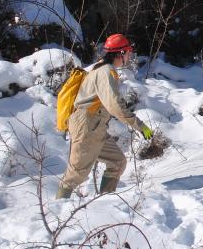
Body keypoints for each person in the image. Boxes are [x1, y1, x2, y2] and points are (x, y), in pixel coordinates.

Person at [56, 34, 153, 199]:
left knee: (117, 162)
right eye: (128, 52)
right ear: (120, 53)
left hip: (95, 126)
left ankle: (105, 204)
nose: (130, 55)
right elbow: (114, 105)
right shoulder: (105, 71)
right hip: (87, 124)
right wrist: (139, 125)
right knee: (76, 174)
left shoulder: (102, 69)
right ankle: (56, 214)